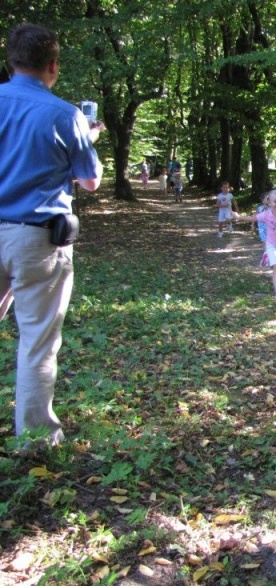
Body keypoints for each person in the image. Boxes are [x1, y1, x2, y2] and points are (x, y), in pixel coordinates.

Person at [0, 23, 105, 448]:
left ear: (11, 60)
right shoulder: (65, 114)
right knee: (37, 342)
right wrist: (89, 137)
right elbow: (90, 181)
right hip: (37, 241)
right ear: (53, 65)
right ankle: (35, 440)